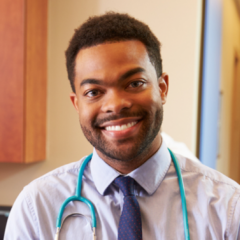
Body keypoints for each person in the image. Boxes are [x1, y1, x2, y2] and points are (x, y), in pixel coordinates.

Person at [4, 12, 240, 240]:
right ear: (77, 104)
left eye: (135, 83)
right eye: (93, 92)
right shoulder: (37, 207)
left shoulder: (227, 207)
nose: (115, 105)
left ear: (162, 88)